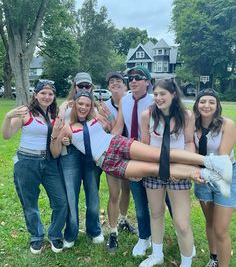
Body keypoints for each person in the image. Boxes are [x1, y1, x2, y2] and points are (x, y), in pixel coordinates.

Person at [50, 91, 232, 198]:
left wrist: (108, 118)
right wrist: (57, 129)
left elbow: (114, 126)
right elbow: (56, 152)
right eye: (80, 104)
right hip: (106, 161)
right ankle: (208, 175)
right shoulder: (65, 127)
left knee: (160, 154)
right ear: (74, 106)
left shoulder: (95, 117)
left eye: (87, 105)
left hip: (116, 143)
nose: (83, 107)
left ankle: (213, 162)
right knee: (154, 169)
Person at [111, 66, 172, 257]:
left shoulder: (156, 101)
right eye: (130, 78)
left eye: (139, 77)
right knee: (139, 200)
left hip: (155, 156)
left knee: (169, 197)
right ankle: (144, 237)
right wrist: (106, 145)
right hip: (133, 155)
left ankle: (181, 232)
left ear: (147, 81)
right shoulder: (124, 100)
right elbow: (119, 127)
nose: (133, 81)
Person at [2, 80, 68, 254]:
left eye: (50, 94)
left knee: (61, 202)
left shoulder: (56, 117)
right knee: (30, 203)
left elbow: (56, 151)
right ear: (35, 94)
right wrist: (8, 117)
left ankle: (55, 235)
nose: (46, 97)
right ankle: (36, 237)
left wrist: (59, 138)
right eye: (43, 93)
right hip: (26, 162)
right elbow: (7, 136)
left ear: (54, 97)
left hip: (49, 162)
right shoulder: (25, 113)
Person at [139, 79, 196, 267]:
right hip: (154, 170)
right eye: (155, 94)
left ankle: (186, 261)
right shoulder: (147, 116)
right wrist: (147, 167)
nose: (158, 98)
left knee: (181, 222)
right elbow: (145, 145)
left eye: (162, 94)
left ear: (173, 94)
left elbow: (189, 142)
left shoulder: (186, 116)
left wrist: (185, 168)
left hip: (177, 171)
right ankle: (157, 254)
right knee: (156, 213)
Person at [58, 72, 104, 248]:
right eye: (80, 86)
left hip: (90, 152)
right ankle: (71, 232)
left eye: (87, 86)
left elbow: (104, 128)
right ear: (74, 87)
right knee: (71, 194)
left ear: (91, 87)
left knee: (93, 193)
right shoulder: (67, 106)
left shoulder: (95, 107)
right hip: (70, 153)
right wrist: (63, 108)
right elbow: (58, 124)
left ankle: (94, 229)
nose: (84, 89)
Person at [193, 89, 236, 267]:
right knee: (210, 222)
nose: (207, 105)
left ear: (217, 106)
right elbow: (190, 150)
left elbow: (222, 159)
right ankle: (214, 259)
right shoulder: (192, 125)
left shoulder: (228, 124)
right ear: (197, 105)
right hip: (203, 178)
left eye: (212, 102)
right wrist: (194, 171)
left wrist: (197, 167)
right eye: (203, 101)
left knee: (220, 229)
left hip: (225, 177)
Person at [99, 71, 137, 253]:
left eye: (119, 81)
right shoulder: (103, 107)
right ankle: (113, 233)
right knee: (114, 193)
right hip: (113, 152)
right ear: (108, 86)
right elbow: (105, 131)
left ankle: (123, 220)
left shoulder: (132, 101)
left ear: (125, 85)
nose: (115, 83)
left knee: (127, 189)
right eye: (111, 81)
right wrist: (107, 123)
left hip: (133, 151)